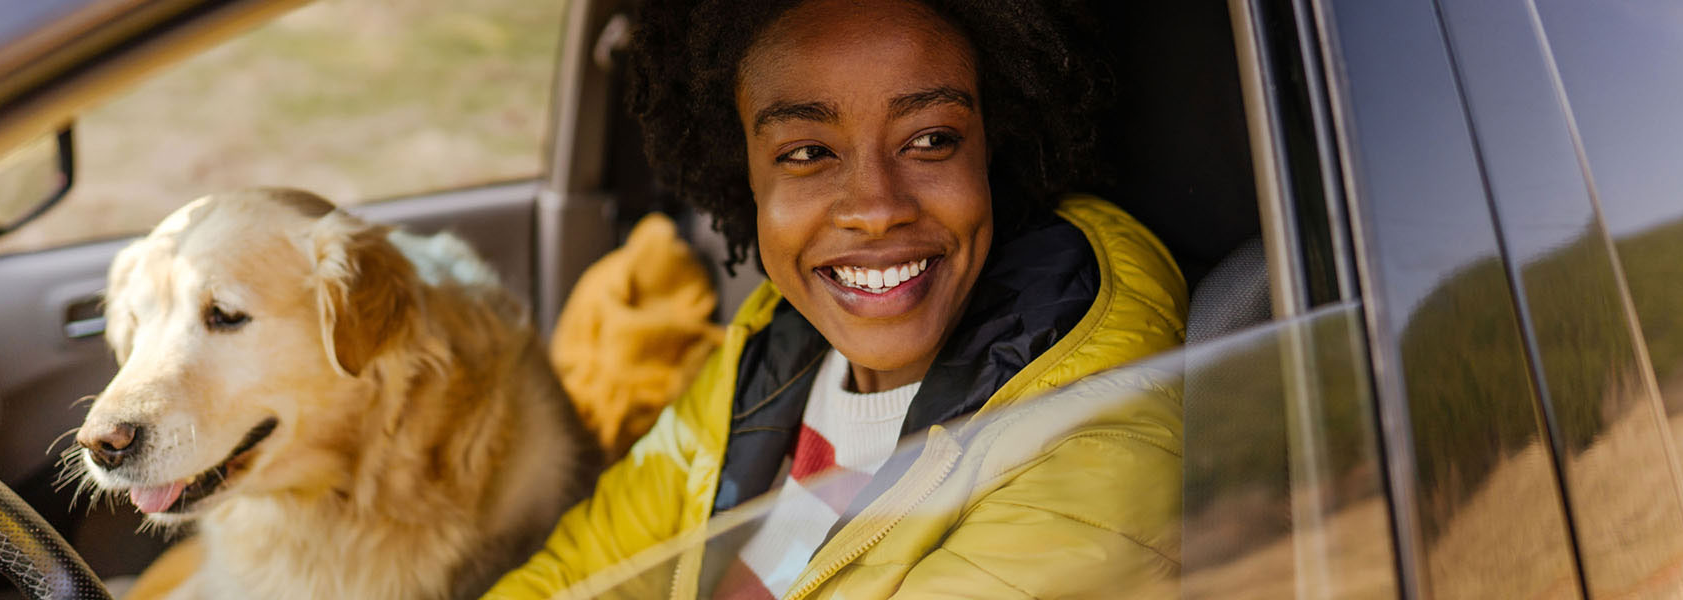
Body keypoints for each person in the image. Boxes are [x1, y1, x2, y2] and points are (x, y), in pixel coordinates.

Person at [485, 0, 1186, 597]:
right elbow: (572, 577)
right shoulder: (768, 355)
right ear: (745, 171)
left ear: (991, 147)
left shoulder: (1090, 446)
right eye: (807, 153)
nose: (876, 209)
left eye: (930, 140)